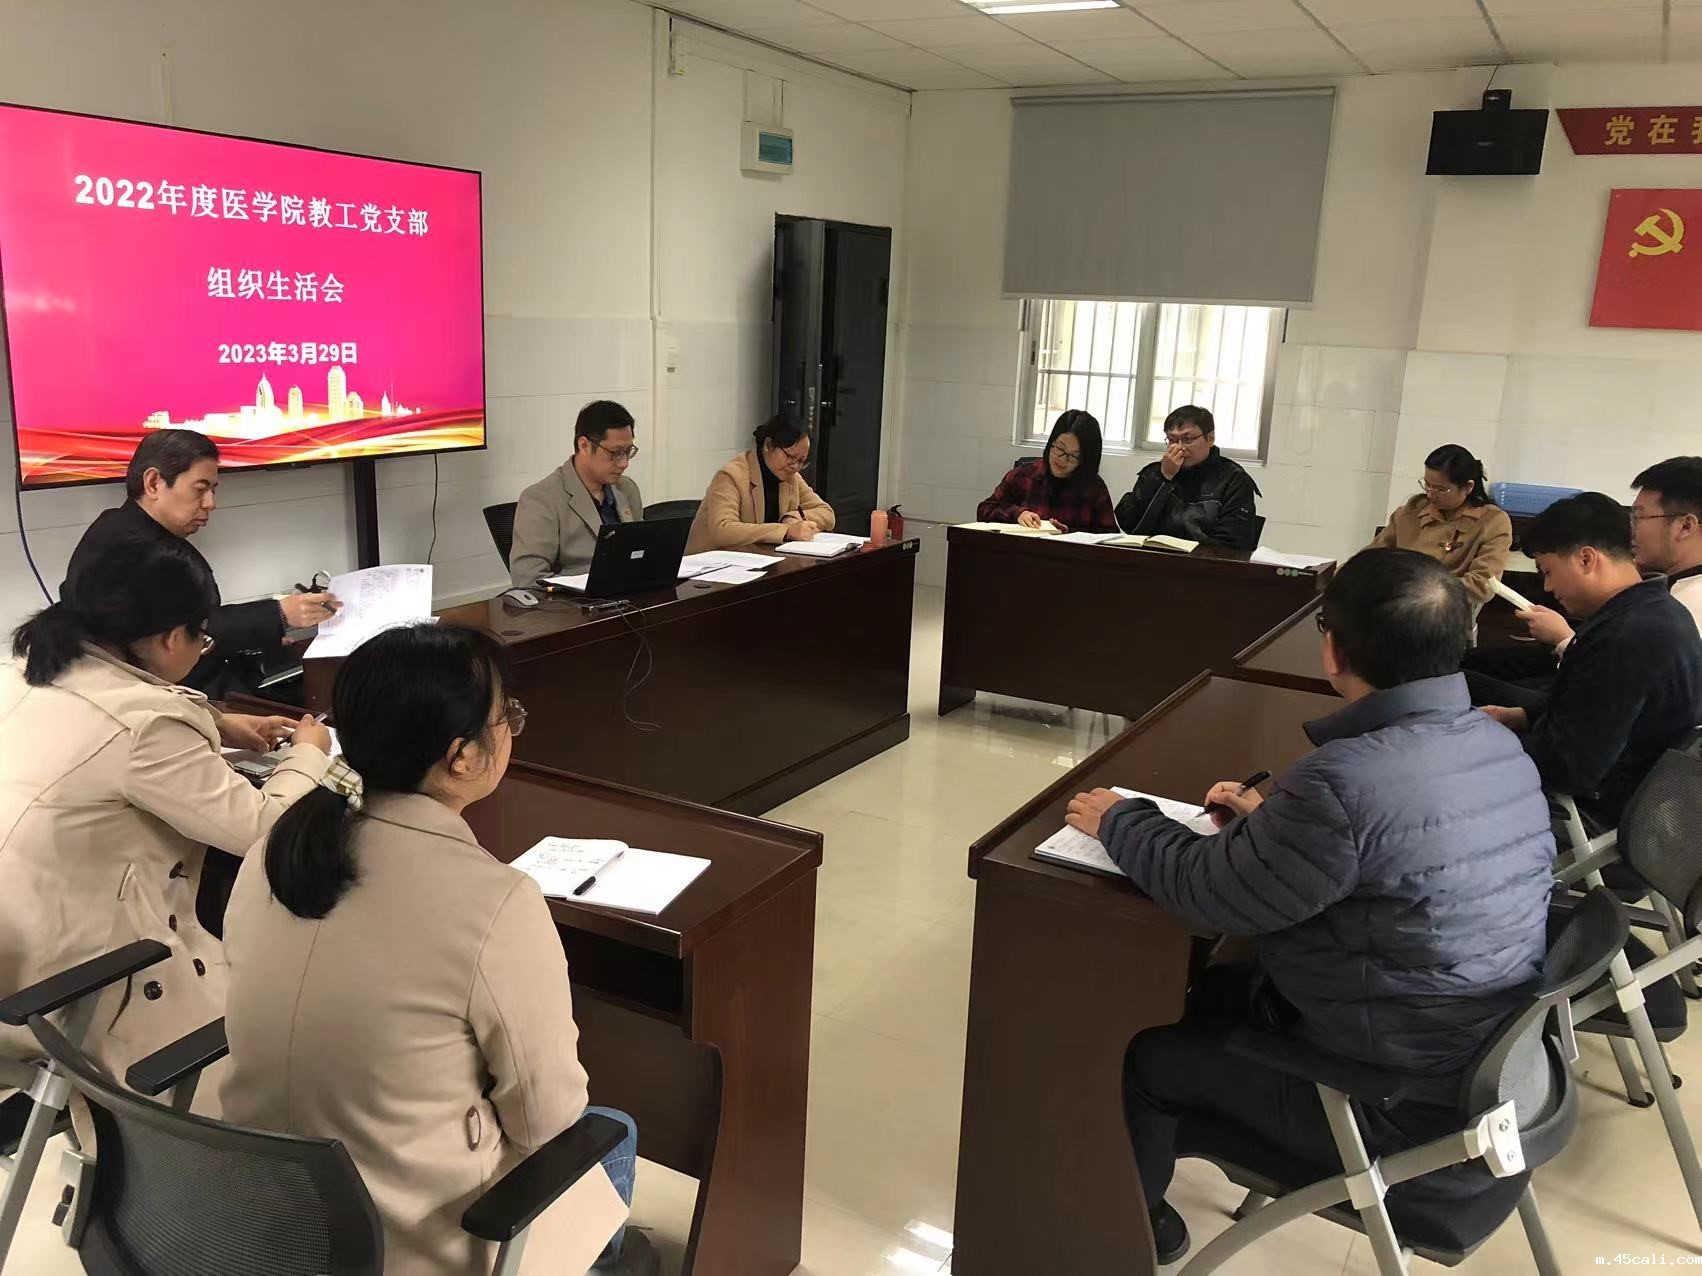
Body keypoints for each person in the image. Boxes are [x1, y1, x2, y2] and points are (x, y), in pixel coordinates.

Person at [1063, 548, 1554, 1265]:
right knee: (1221, 987)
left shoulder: (1343, 781)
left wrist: (1121, 820)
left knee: (1148, 1053)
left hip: (1395, 1109)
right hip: (1483, 1068)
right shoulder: (1495, 741)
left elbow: (1207, 890)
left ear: (1333, 650)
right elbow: (1396, 852)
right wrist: (1274, 829)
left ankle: (1133, 1235)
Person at [220, 623, 651, 1276]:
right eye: (506, 716)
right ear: (462, 757)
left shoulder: (273, 851)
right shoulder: (495, 901)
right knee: (612, 1130)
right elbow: (545, 1122)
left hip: (261, 1218)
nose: (512, 729)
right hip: (411, 1248)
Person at [0, 538, 331, 1079]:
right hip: (79, 984)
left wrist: (219, 724)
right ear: (171, 637)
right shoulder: (147, 727)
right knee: (293, 1039)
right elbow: (268, 828)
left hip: (17, 948)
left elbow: (111, 710)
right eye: (203, 636)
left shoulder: (20, 669)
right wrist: (308, 755)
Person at [64, 429, 341, 715]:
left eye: (213, 490)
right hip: (184, 697)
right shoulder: (142, 551)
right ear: (154, 483)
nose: (210, 503)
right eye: (199, 489)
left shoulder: (115, 526)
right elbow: (194, 628)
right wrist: (279, 614)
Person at [1473, 492, 1702, 833]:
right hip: (1633, 796)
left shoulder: (1628, 636)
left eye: (1548, 572)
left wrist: (1481, 747)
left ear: (1586, 559)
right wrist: (1522, 715)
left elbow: (1570, 768)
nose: (1548, 586)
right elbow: (1592, 709)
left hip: (1595, 814)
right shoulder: (1656, 611)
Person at [510, 400, 645, 587]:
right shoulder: (541, 499)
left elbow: (639, 554)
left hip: (631, 595)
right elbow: (528, 579)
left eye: (628, 451)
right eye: (615, 453)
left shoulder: (627, 488)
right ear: (584, 446)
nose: (624, 463)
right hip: (576, 603)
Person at [1370, 444, 1511, 606]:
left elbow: (1482, 585)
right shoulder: (1409, 513)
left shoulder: (1492, 521)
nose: (1431, 494)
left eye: (1441, 489)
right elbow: (1370, 559)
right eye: (1427, 485)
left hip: (1446, 611)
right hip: (1392, 604)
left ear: (1468, 487)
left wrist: (1419, 590)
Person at [1114, 405, 1261, 549]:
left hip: (1204, 561)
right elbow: (1129, 524)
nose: (1179, 447)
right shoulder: (1155, 472)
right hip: (1152, 557)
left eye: (1188, 439)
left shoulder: (1233, 479)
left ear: (1210, 439)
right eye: (1172, 440)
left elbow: (1234, 541)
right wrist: (1163, 478)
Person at [685, 414, 835, 552]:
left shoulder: (791, 477)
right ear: (768, 445)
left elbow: (826, 513)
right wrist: (786, 531)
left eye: (802, 461)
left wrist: (792, 518)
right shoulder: (732, 475)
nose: (795, 466)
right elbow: (723, 530)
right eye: (791, 457)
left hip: (760, 560)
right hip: (711, 565)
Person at [975, 409, 1118, 532]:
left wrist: (1070, 534)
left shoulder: (1094, 488)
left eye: (1074, 456)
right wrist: (1018, 514)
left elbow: (1109, 537)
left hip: (1069, 555)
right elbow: (984, 510)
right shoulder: (1023, 475)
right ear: (1051, 443)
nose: (1062, 459)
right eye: (1059, 448)